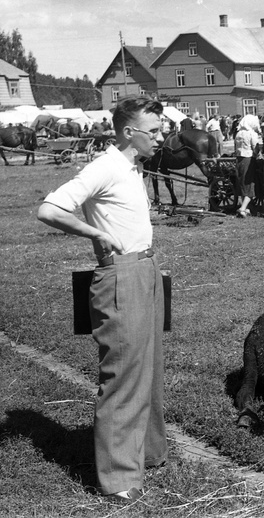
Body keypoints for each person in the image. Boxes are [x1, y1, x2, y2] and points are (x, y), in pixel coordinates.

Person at [36, 96, 168, 503]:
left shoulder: (131, 167)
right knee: (124, 373)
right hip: (120, 274)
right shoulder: (105, 166)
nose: (161, 138)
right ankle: (118, 478)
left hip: (145, 269)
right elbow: (49, 209)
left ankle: (148, 452)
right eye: (155, 131)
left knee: (149, 366)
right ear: (130, 132)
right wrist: (94, 234)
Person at [234, 114, 262, 218]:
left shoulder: (239, 133)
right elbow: (255, 147)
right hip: (249, 159)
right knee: (250, 183)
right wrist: (258, 153)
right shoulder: (252, 133)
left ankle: (245, 207)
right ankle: (242, 209)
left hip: (239, 158)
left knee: (242, 183)